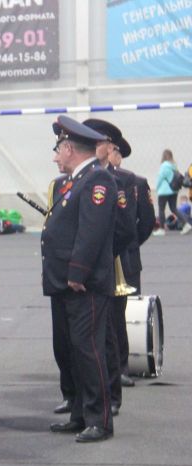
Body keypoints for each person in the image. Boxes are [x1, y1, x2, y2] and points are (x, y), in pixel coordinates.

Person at [43, 116, 116, 443]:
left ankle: (99, 420)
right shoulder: (74, 181)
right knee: (70, 351)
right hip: (63, 283)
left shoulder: (97, 180)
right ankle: (79, 414)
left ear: (69, 148)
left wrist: (77, 272)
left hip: (83, 284)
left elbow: (91, 231)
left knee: (89, 351)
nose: (55, 157)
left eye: (58, 149)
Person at [83, 118, 137, 416]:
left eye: (99, 141)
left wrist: (104, 254)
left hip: (108, 265)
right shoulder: (80, 177)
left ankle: (112, 394)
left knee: (109, 333)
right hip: (84, 268)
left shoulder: (121, 180)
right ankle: (80, 395)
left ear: (109, 147)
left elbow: (127, 228)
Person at [110, 135, 155, 386]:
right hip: (104, 260)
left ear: (118, 155)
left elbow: (146, 222)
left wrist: (130, 244)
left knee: (124, 315)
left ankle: (123, 365)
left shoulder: (136, 183)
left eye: (114, 151)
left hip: (127, 259)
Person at [154, 148, 191, 235]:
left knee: (161, 209)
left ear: (163, 156)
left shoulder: (164, 166)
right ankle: (186, 224)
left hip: (164, 191)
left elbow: (160, 178)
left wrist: (157, 188)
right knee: (174, 208)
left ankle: (162, 229)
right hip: (174, 190)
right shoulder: (174, 166)